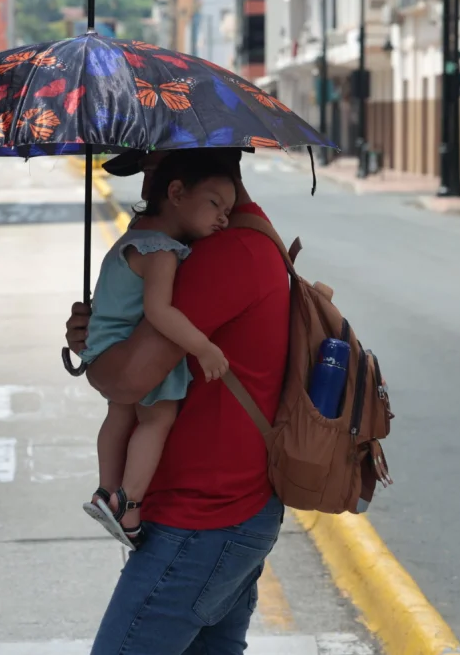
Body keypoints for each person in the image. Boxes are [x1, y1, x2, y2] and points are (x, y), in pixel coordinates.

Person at [64, 147, 292, 654]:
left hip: (203, 519)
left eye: (151, 169)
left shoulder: (221, 254)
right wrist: (99, 330)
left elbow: (125, 381)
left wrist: (98, 353)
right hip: (223, 513)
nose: (146, 187)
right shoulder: (229, 239)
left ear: (182, 180)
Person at [79, 149, 235, 550]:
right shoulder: (162, 252)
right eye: (215, 204)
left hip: (101, 351)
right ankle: (128, 505)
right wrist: (203, 348)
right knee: (157, 419)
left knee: (118, 414)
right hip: (131, 353)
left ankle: (106, 490)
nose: (223, 218)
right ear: (177, 193)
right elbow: (159, 311)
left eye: (228, 211)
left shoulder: (134, 239)